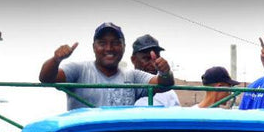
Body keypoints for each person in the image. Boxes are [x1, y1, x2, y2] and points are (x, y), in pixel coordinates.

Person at [39, 22, 175, 110]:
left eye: (115, 43)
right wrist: (56, 60)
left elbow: (164, 83)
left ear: (123, 47)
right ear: (94, 47)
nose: (109, 48)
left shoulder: (132, 76)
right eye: (102, 43)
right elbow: (46, 78)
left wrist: (164, 72)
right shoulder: (79, 70)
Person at [130, 34, 181, 107]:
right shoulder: (124, 88)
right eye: (146, 58)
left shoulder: (168, 94)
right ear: (133, 60)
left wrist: (166, 73)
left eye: (156, 58)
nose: (153, 64)